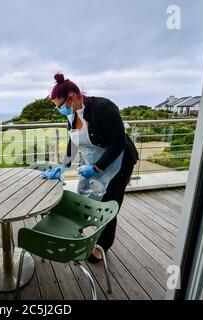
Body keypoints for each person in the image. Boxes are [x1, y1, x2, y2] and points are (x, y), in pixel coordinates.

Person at [42, 73, 139, 262]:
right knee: (88, 198)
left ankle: (102, 246)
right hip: (94, 162)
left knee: (108, 205)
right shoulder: (71, 114)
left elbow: (118, 143)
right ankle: (83, 233)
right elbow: (74, 141)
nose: (60, 111)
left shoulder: (104, 108)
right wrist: (64, 166)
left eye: (60, 106)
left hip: (118, 163)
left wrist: (97, 168)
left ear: (71, 98)